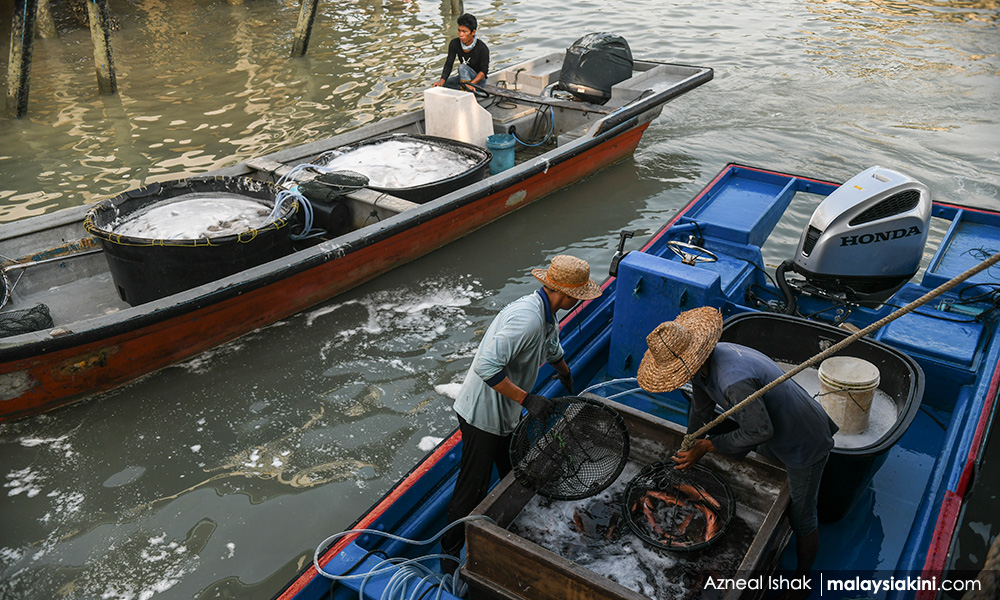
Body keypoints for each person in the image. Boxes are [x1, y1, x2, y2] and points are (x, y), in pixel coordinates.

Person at [636, 306, 837, 585]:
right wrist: (689, 441)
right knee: (775, 480)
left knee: (802, 516)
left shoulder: (733, 381)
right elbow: (701, 409)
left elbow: (759, 430)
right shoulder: (706, 362)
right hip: (773, 427)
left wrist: (707, 446)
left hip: (802, 439)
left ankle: (803, 579)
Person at [440, 254, 602, 571]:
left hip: (507, 410)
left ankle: (514, 521)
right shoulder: (527, 319)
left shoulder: (547, 314)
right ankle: (448, 555)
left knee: (514, 466)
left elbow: (552, 346)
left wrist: (566, 372)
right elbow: (487, 367)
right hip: (482, 414)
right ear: (563, 293)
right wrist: (528, 399)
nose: (577, 301)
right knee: (472, 487)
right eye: (577, 296)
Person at [433, 13, 490, 91]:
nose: (460, 34)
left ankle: (467, 92)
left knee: (462, 67)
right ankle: (464, 89)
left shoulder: (482, 48)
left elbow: (484, 71)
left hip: (478, 82)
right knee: (444, 85)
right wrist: (441, 81)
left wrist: (472, 84)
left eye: (464, 31)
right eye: (459, 30)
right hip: (464, 77)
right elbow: (449, 64)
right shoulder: (454, 43)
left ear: (473, 32)